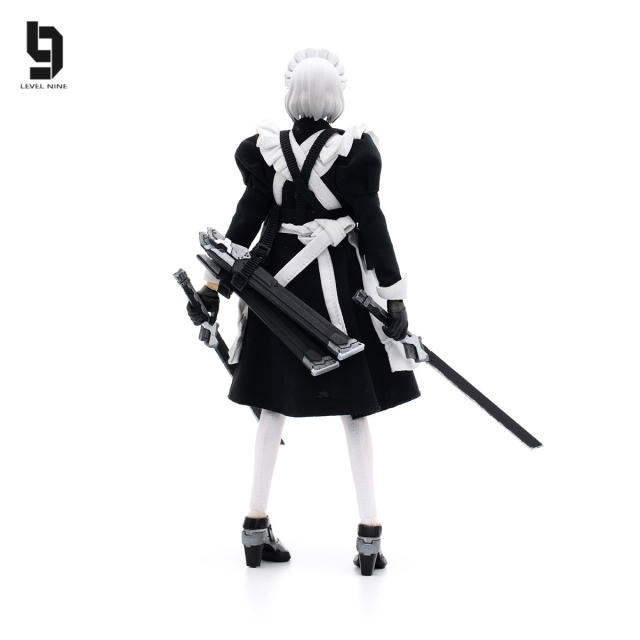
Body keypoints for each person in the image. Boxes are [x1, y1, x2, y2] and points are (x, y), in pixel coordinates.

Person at [187, 48, 420, 575]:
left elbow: (242, 225)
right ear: (335, 97)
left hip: (277, 295)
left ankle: (254, 525)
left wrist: (213, 287)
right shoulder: (351, 154)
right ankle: (369, 535)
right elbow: (373, 226)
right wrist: (394, 294)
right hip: (333, 296)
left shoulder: (269, 154)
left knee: (272, 410)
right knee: (356, 413)